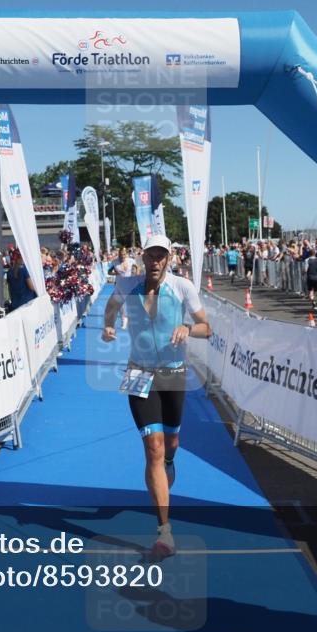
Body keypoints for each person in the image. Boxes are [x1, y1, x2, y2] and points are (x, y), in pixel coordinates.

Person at [102, 234, 211, 560]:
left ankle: (169, 462)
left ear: (170, 258)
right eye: (151, 255)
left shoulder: (182, 287)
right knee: (153, 447)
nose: (156, 261)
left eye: (162, 256)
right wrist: (108, 327)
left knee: (171, 445)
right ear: (143, 256)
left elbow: (206, 326)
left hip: (173, 374)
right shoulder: (127, 285)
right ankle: (165, 532)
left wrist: (188, 329)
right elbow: (110, 308)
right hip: (139, 372)